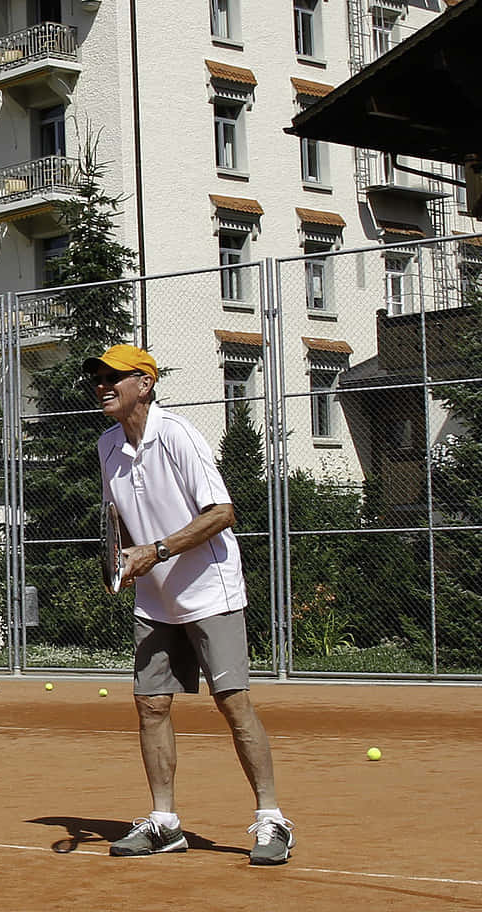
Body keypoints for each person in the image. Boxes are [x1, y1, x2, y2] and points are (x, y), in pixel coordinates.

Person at [86, 344, 292, 865]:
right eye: (97, 378)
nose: (103, 385)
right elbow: (122, 521)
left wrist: (155, 551)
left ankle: (272, 821)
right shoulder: (108, 446)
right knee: (151, 705)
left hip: (210, 591)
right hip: (155, 601)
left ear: (145, 383)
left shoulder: (178, 436)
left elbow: (222, 511)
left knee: (233, 704)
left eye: (114, 377)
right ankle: (165, 822)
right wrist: (128, 560)